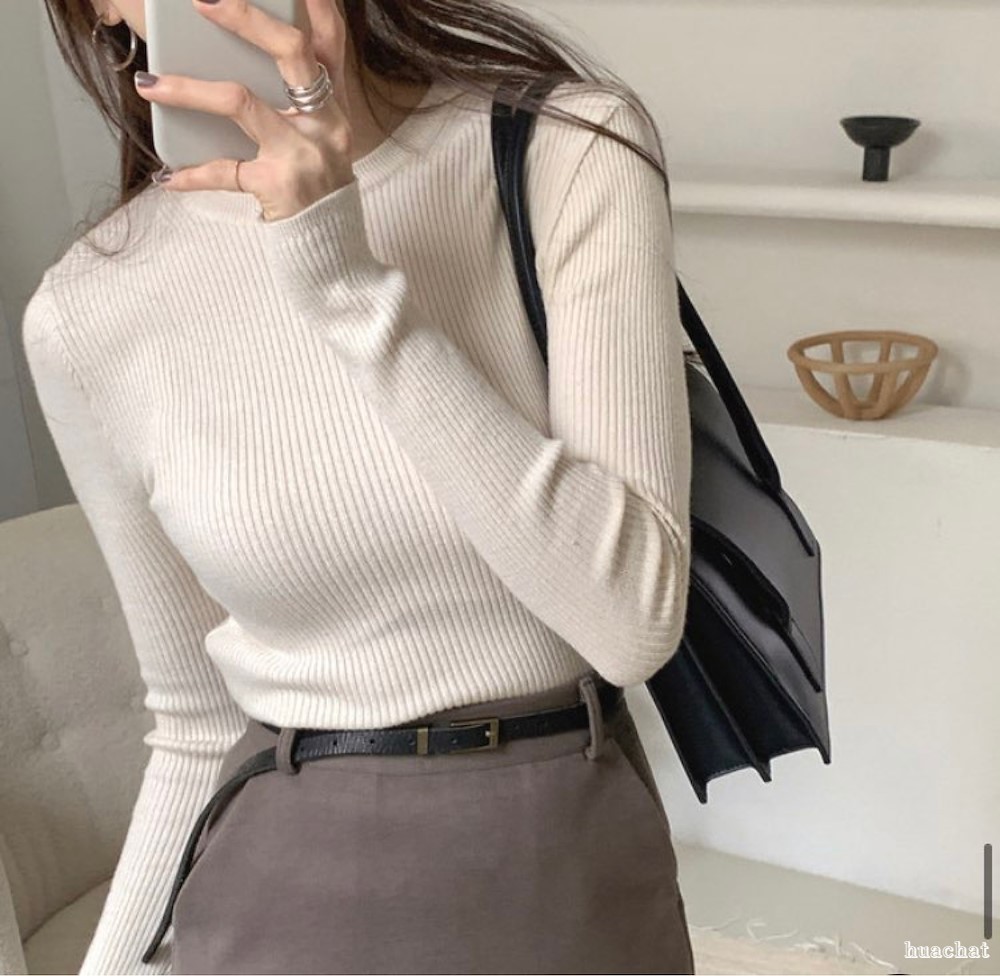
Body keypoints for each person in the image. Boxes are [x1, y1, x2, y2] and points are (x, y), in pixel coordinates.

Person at [22, 0, 695, 972]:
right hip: (279, 882)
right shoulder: (86, 309)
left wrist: (346, 283)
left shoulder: (566, 147)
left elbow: (631, 622)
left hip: (564, 862)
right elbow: (196, 725)